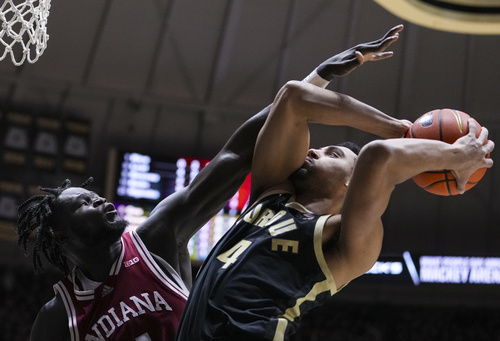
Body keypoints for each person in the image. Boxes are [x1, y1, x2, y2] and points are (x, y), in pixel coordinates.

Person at [15, 25, 406, 341]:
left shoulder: (157, 236)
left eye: (94, 193)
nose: (101, 200)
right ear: (63, 238)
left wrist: (315, 80)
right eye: (84, 203)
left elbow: (235, 157)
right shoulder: (57, 319)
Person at [175, 29, 495, 341]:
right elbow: (293, 97)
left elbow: (378, 156)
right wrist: (395, 126)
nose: (313, 150)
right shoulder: (271, 193)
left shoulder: (346, 242)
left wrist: (455, 155)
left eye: (333, 154)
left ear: (351, 181)